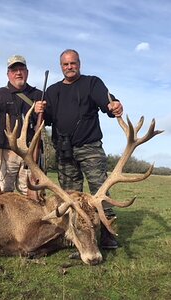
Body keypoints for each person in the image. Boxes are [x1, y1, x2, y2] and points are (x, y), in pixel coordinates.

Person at [35, 49, 123, 249]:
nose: (69, 67)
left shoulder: (92, 83)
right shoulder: (53, 90)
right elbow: (45, 120)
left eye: (73, 63)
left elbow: (107, 102)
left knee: (100, 191)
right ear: (61, 67)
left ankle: (108, 234)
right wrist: (39, 111)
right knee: (70, 196)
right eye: (65, 64)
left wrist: (114, 105)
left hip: (89, 147)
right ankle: (75, 235)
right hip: (64, 150)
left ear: (79, 64)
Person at [0, 55, 42, 195]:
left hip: (29, 154)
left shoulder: (38, 96)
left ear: (27, 72)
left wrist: (40, 111)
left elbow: (49, 119)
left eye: (21, 69)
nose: (18, 73)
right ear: (8, 74)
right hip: (4, 153)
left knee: (32, 196)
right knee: (3, 195)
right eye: (14, 70)